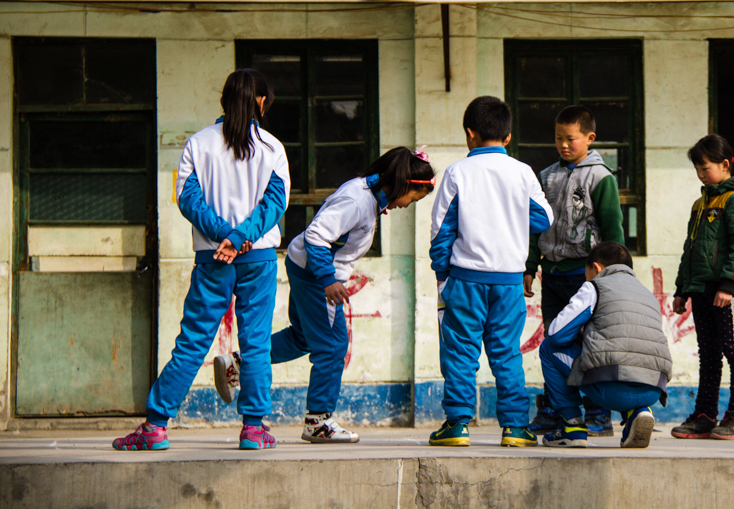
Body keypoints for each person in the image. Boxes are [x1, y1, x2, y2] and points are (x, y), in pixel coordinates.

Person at [112, 69, 291, 451]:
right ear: (260, 102)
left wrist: (223, 237)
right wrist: (240, 238)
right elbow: (275, 205)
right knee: (256, 343)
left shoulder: (198, 143)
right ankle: (254, 430)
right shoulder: (273, 148)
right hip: (257, 258)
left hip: (213, 259)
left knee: (192, 342)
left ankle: (156, 427)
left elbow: (189, 200)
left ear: (223, 100)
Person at [213, 147, 435, 443]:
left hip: (307, 269)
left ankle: (237, 364)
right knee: (332, 346)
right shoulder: (357, 200)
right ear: (402, 184)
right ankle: (318, 421)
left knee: (303, 337)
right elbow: (316, 236)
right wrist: (328, 280)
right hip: (315, 277)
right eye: (412, 198)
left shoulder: (368, 197)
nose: (407, 205)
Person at [428, 96, 553, 447]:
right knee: (506, 352)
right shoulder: (522, 172)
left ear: (470, 134)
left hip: (465, 279)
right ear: (508, 136)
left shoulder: (456, 172)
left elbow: (441, 233)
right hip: (509, 281)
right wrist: (510, 215)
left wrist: (442, 276)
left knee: (460, 352)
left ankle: (457, 425)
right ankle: (514, 427)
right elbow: (544, 218)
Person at [525, 105, 624, 437]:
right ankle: (556, 409)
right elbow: (534, 227)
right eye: (558, 138)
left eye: (570, 139)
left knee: (588, 342)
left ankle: (597, 414)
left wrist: (614, 275)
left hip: (585, 277)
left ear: (590, 138)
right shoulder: (546, 176)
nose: (563, 145)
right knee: (554, 340)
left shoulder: (601, 177)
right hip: (551, 275)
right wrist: (530, 266)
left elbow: (613, 231)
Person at [539, 241, 672, 448]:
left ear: (597, 268)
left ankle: (571, 426)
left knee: (548, 348)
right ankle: (638, 412)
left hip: (613, 391)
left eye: (587, 273)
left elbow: (556, 334)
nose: (586, 278)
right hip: (653, 390)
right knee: (630, 360)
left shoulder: (595, 287)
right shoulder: (648, 296)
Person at [671, 134, 734, 441]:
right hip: (699, 290)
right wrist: (682, 289)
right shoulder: (700, 203)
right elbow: (690, 249)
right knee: (708, 354)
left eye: (705, 168)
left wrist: (729, 285)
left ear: (724, 164)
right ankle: (705, 415)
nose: (701, 174)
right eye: (697, 169)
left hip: (725, 292)